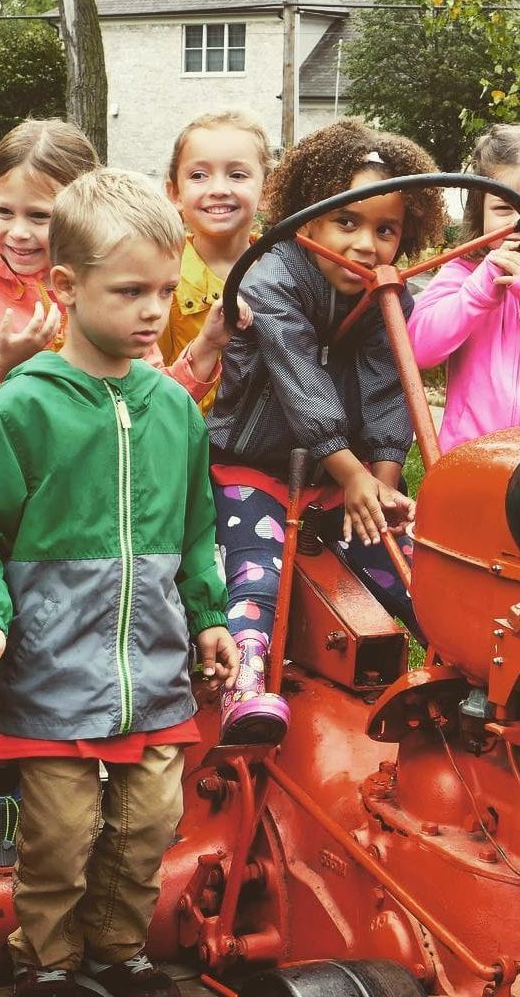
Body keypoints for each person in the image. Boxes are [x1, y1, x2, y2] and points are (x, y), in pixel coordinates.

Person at [0, 167, 240, 997]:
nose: (153, 311)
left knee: (149, 822)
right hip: (52, 669)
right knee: (58, 834)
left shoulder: (176, 410)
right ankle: (47, 960)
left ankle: (119, 950)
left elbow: (197, 529)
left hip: (152, 670)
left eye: (163, 290)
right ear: (66, 285)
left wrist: (209, 614)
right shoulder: (22, 408)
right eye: (129, 291)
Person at [207, 118, 446, 745]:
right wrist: (353, 472)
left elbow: (389, 390)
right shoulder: (271, 281)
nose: (366, 245)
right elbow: (300, 384)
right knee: (257, 574)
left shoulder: (388, 296)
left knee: (409, 567)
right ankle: (244, 683)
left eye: (385, 230)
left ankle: (465, 668)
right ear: (307, 220)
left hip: (340, 479)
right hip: (252, 470)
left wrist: (382, 484)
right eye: (347, 222)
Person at [0, 117, 237, 428]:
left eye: (39, 216)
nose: (18, 232)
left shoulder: (114, 290)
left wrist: (206, 346)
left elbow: (150, 404)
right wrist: (0, 366)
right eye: (4, 211)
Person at [408, 123, 520, 452]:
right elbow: (418, 348)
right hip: (472, 456)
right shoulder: (463, 273)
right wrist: (478, 291)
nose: (518, 223)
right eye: (503, 208)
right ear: (478, 212)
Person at [160, 110, 273, 413]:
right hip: (186, 428)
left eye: (237, 175)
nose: (219, 189)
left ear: (267, 191)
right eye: (198, 176)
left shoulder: (284, 269)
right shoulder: (161, 275)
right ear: (174, 192)